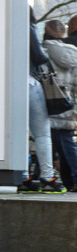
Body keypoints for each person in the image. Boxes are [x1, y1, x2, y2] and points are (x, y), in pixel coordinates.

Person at [18, 9, 66, 193]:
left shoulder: (3, 25)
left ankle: (23, 177)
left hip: (10, 85)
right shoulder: (26, 25)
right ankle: (48, 177)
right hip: (30, 81)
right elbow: (38, 56)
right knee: (42, 134)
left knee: (20, 133)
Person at [43, 19, 77, 192]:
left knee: (56, 146)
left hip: (49, 106)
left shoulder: (43, 51)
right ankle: (71, 182)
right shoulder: (73, 52)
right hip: (67, 105)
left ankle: (66, 180)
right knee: (67, 145)